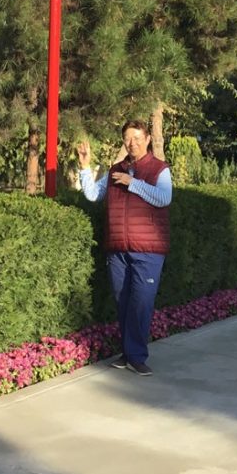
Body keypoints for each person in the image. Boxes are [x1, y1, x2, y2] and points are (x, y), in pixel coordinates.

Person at [77, 120, 172, 377]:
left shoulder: (159, 169)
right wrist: (85, 167)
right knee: (124, 302)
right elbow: (94, 195)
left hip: (148, 251)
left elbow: (164, 198)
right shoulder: (115, 170)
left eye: (137, 138)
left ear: (147, 139)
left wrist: (133, 183)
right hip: (118, 249)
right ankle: (128, 353)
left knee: (141, 303)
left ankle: (137, 356)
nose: (133, 143)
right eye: (128, 138)